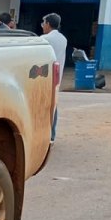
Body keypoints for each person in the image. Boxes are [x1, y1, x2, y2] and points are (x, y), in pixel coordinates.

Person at [41, 13, 68, 142]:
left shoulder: (44, 39)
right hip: (57, 77)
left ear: (48, 24)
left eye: (43, 23)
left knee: (43, 106)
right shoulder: (63, 39)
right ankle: (52, 135)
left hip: (45, 77)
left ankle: (42, 133)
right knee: (54, 105)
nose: (42, 26)